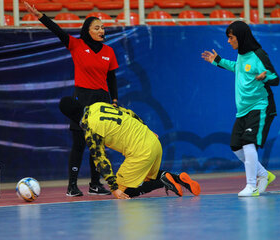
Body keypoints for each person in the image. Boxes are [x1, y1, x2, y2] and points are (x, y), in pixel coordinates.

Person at [25, 2, 119, 197]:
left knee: (98, 144)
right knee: (80, 143)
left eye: (103, 27)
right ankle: (72, 186)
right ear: (88, 30)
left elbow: (111, 78)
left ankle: (95, 184)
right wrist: (40, 16)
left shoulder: (109, 52)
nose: (102, 30)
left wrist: (115, 100)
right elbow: (57, 30)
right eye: (97, 27)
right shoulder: (76, 45)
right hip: (82, 97)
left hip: (102, 100)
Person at [59, 97, 201, 199]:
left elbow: (101, 160)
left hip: (141, 151)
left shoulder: (90, 128)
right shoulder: (98, 106)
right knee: (146, 175)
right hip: (152, 141)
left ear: (70, 117)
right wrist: (146, 128)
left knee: (124, 192)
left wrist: (114, 188)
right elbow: (128, 113)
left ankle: (162, 181)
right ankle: (179, 179)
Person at [201, 21, 279, 197]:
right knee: (236, 147)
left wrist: (265, 76)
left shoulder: (259, 55)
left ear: (241, 37)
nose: (228, 41)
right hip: (243, 109)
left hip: (261, 106)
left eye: (231, 37)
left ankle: (252, 186)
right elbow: (239, 69)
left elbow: (275, 78)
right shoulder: (242, 55)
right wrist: (218, 61)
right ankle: (264, 175)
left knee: (248, 142)